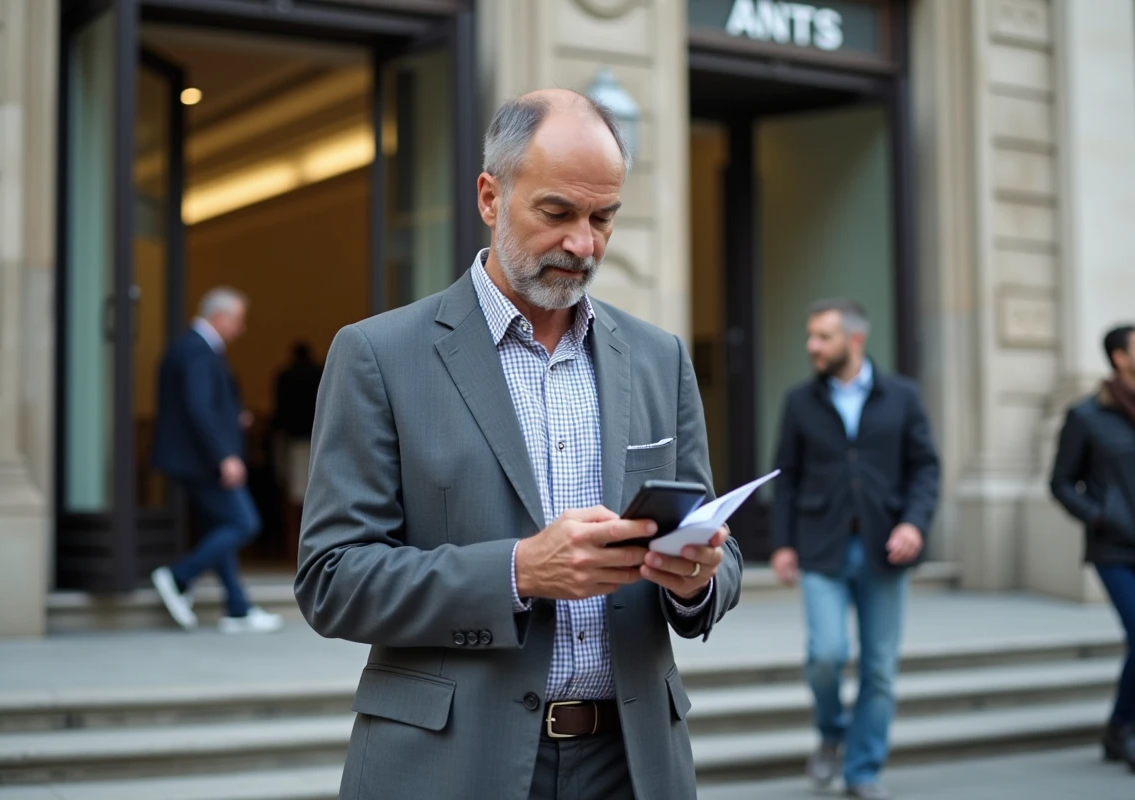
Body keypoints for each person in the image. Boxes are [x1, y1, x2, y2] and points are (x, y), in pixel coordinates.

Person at [294, 89, 743, 800]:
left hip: (632, 765)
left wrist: (698, 581)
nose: (583, 244)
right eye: (558, 213)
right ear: (489, 197)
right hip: (450, 763)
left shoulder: (660, 358)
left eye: (603, 218)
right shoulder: (379, 355)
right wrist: (519, 571)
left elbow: (718, 549)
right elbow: (332, 579)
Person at [769, 299, 940, 800]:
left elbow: (926, 467)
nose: (812, 346)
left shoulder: (903, 396)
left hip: (886, 548)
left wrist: (914, 524)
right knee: (825, 655)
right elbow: (787, 476)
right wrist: (781, 543)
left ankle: (862, 769)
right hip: (820, 545)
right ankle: (831, 732)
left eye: (822, 337)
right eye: (811, 336)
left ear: (855, 340)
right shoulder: (800, 401)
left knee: (879, 668)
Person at [149, 288, 284, 635]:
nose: (241, 329)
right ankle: (179, 577)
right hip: (203, 461)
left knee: (220, 526)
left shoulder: (191, 347)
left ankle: (237, 608)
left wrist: (233, 418)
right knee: (244, 521)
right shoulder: (198, 350)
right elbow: (198, 407)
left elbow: (200, 405)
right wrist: (224, 455)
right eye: (238, 320)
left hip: (195, 458)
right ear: (220, 317)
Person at [1050, 324, 1135, 771]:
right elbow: (1060, 483)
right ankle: (1125, 728)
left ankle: (1119, 727)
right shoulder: (1086, 415)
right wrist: (1100, 516)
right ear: (1120, 357)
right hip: (1115, 548)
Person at [272, 341, 324, 561]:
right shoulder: (321, 372)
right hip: (318, 439)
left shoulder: (285, 376)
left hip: (294, 441)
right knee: (318, 496)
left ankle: (294, 551)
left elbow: (280, 411)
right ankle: (313, 551)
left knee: (293, 500)